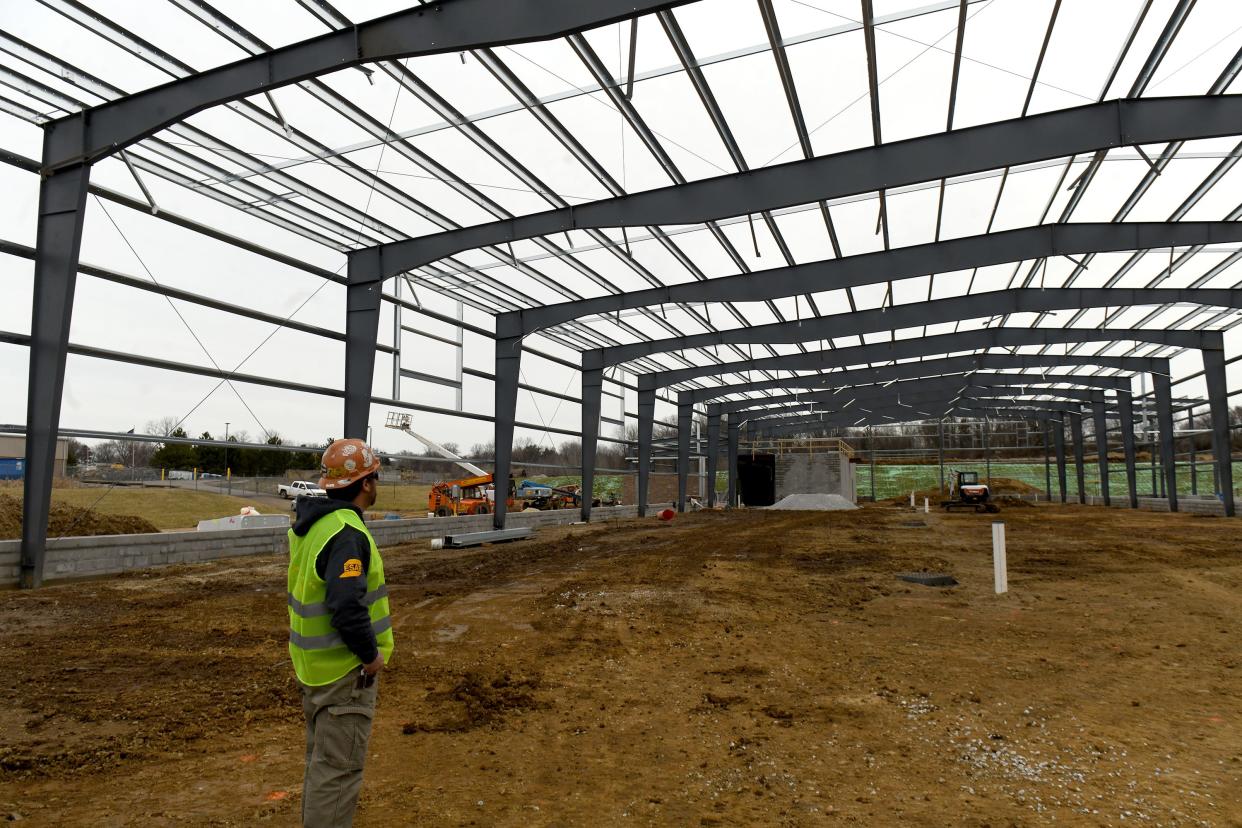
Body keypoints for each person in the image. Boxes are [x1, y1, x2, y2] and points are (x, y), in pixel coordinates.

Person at [287, 438, 394, 828]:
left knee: (323, 768)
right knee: (338, 774)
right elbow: (346, 606)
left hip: (314, 670)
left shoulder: (313, 525)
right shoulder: (346, 532)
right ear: (366, 484)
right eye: (375, 477)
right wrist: (370, 656)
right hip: (343, 675)